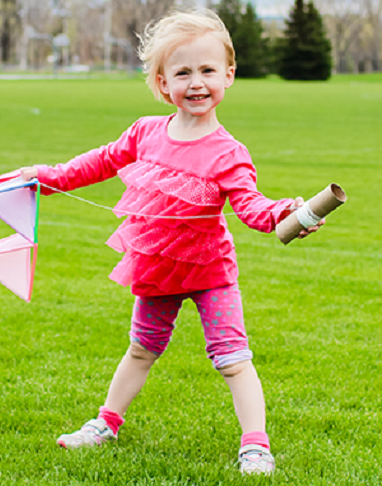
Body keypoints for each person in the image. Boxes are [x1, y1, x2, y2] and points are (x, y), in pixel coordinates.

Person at [19, 9, 324, 475]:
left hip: (210, 273)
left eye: (207, 70)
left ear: (229, 74)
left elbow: (251, 208)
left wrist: (287, 213)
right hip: (156, 268)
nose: (196, 82)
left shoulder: (228, 152)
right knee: (141, 348)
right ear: (163, 83)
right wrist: (47, 176)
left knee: (233, 359)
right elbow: (98, 163)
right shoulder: (145, 132)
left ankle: (256, 445)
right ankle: (106, 423)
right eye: (183, 72)